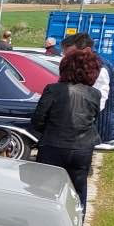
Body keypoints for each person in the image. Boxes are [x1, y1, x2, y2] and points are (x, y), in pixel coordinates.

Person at [31, 47, 103, 211]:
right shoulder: (94, 94)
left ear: (65, 68)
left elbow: (37, 120)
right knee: (78, 190)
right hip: (82, 149)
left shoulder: (53, 90)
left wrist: (49, 131)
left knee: (46, 191)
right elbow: (93, 119)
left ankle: (48, 222)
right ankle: (77, 224)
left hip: (53, 146)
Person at [60, 32, 114, 150]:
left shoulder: (100, 68)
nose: (66, 56)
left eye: (70, 53)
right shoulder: (84, 65)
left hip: (97, 129)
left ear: (86, 50)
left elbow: (98, 103)